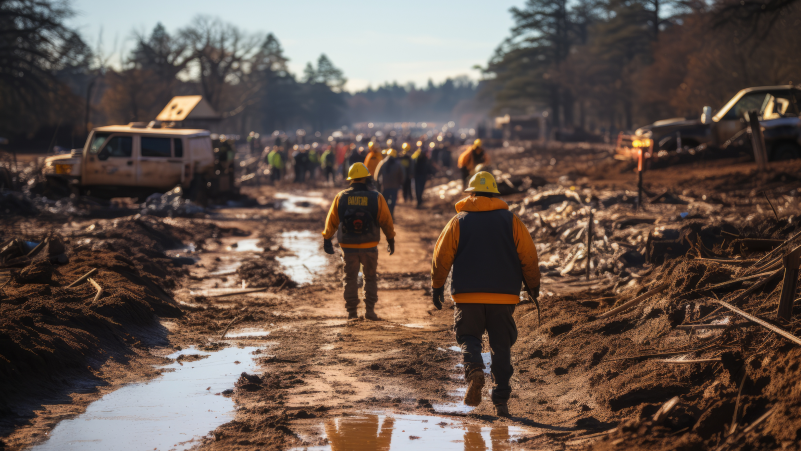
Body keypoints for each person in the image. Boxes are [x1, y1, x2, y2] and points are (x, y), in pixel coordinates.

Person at [430, 171, 540, 418]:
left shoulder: (459, 220)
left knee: (469, 337)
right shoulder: (511, 220)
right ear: (494, 193)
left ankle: (475, 370)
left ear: (471, 194)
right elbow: (528, 255)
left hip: (467, 296)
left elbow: (442, 256)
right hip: (504, 297)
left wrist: (437, 286)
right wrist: (533, 286)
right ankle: (501, 401)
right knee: (501, 346)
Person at [322, 163, 396, 320]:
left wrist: (327, 238)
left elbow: (332, 220)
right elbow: (386, 221)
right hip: (370, 245)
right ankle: (369, 311)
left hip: (348, 246)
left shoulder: (341, 197)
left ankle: (352, 312)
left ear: (351, 179)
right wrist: (390, 239)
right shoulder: (376, 197)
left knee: (350, 278)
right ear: (366, 177)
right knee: (370, 277)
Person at [375, 148, 404, 219]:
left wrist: (378, 184)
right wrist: (401, 183)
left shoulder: (382, 163)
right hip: (395, 186)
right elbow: (403, 175)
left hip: (385, 186)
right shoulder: (398, 164)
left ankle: (385, 215)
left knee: (385, 202)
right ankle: (391, 214)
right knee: (393, 201)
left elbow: (377, 175)